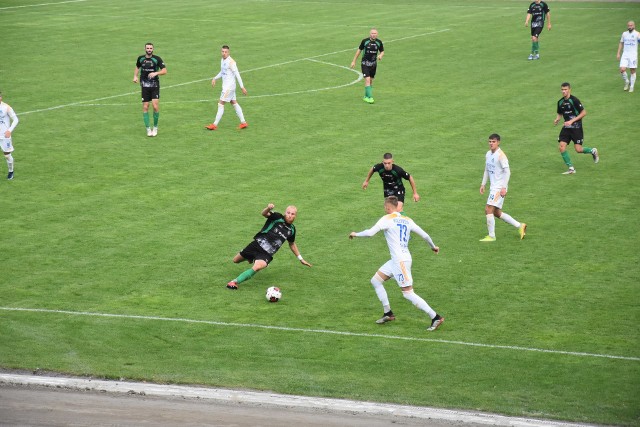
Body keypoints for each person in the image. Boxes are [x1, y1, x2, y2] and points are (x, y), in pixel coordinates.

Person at [349, 196, 444, 331]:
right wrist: (433, 246)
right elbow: (425, 235)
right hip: (397, 260)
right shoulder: (407, 220)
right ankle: (388, 313)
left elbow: (370, 233)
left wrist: (355, 234)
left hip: (400, 262)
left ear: (388, 207)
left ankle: (435, 317)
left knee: (408, 293)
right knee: (376, 281)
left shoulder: (386, 219)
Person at [226, 203, 311, 290]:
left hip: (267, 253)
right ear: (285, 213)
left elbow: (292, 244)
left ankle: (234, 282)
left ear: (295, 216)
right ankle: (252, 258)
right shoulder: (277, 217)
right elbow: (264, 213)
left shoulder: (292, 230)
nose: (289, 215)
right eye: (288, 213)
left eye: (292, 214)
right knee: (235, 260)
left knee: (257, 267)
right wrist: (268, 208)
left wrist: (301, 259)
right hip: (257, 245)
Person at [479, 134, 527, 242]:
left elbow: (507, 171)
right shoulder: (488, 154)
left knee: (488, 209)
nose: (491, 143)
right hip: (493, 187)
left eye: (493, 141)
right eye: (490, 141)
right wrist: (483, 184)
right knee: (496, 212)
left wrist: (504, 187)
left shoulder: (501, 155)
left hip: (499, 188)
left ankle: (491, 236)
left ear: (498, 142)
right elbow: (487, 170)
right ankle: (520, 226)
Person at [554, 83, 599, 174]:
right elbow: (560, 112)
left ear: (569, 89)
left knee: (578, 149)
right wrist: (557, 119)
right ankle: (571, 168)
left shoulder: (574, 100)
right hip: (566, 128)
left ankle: (592, 151)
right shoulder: (560, 102)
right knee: (562, 147)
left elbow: (583, 113)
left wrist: (571, 121)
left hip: (576, 128)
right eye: (562, 89)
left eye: (565, 89)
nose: (563, 91)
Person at [206, 45, 248, 131]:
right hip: (228, 87)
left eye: (226, 52)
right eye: (222, 52)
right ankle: (243, 122)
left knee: (220, 104)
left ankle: (214, 125)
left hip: (229, 87)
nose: (224, 53)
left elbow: (237, 75)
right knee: (234, 103)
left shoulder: (231, 62)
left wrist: (242, 87)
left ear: (229, 53)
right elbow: (222, 72)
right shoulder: (222, 60)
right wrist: (215, 78)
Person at [133, 42, 167, 137]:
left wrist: (156, 73)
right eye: (147, 48)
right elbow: (137, 67)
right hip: (144, 85)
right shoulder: (141, 58)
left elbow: (165, 71)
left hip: (154, 85)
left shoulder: (157, 59)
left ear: (153, 49)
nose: (149, 49)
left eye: (150, 48)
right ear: (145, 49)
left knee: (155, 107)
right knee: (145, 107)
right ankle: (148, 129)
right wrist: (135, 76)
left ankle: (155, 127)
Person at [350, 28, 384, 104]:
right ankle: (370, 97)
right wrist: (354, 61)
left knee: (371, 81)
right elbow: (359, 51)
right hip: (365, 63)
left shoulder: (379, 42)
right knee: (367, 79)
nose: (373, 34)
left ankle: (365, 96)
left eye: (375, 33)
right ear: (370, 34)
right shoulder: (365, 41)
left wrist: (380, 55)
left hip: (373, 64)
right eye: (372, 33)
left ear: (377, 34)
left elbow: (382, 51)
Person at [617, 21, 640, 93]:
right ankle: (627, 82)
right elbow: (621, 43)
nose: (630, 27)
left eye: (631, 25)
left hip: (633, 55)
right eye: (629, 26)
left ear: (634, 26)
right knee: (622, 69)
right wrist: (618, 53)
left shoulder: (637, 34)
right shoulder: (624, 34)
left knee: (632, 70)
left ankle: (632, 86)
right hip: (625, 54)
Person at [0, 91, 18, 180]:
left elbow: (15, 119)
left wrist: (9, 130)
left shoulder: (6, 107)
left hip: (4, 135)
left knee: (7, 155)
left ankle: (11, 171)